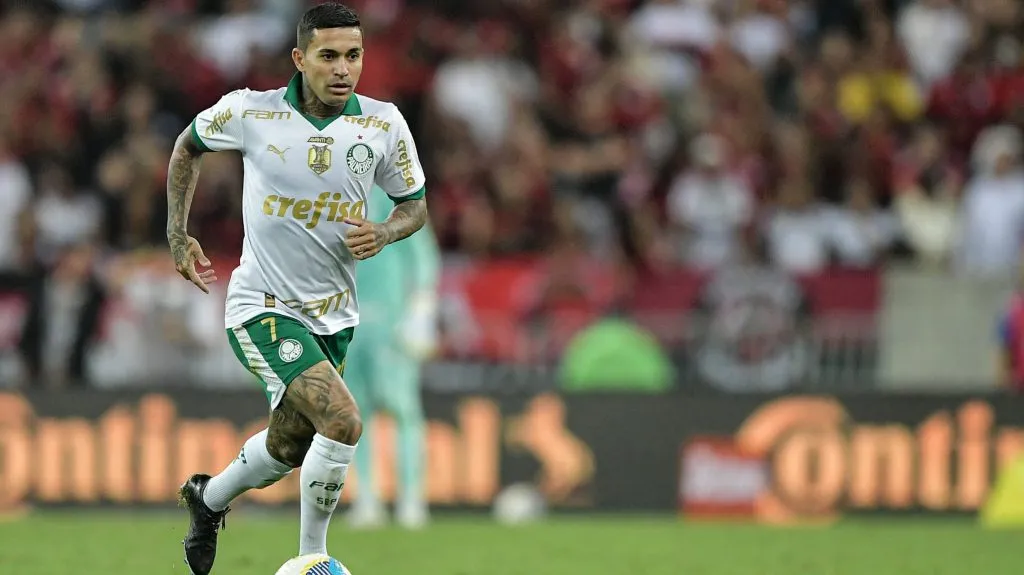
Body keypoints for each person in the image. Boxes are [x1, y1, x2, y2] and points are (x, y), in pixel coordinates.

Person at [164, 4, 428, 574]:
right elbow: (187, 146)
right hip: (261, 304)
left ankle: (207, 500)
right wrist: (178, 233)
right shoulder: (250, 112)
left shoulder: (383, 124)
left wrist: (385, 230)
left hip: (335, 315)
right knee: (343, 420)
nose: (342, 69)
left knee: (291, 446)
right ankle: (313, 559)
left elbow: (415, 206)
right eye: (328, 56)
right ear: (299, 59)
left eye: (353, 56)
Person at [344, 185, 440, 530]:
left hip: (392, 321)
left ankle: (412, 499)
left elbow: (424, 257)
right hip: (348, 323)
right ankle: (367, 498)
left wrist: (421, 310)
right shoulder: (331, 197)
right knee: (355, 415)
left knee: (403, 409)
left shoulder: (394, 200)